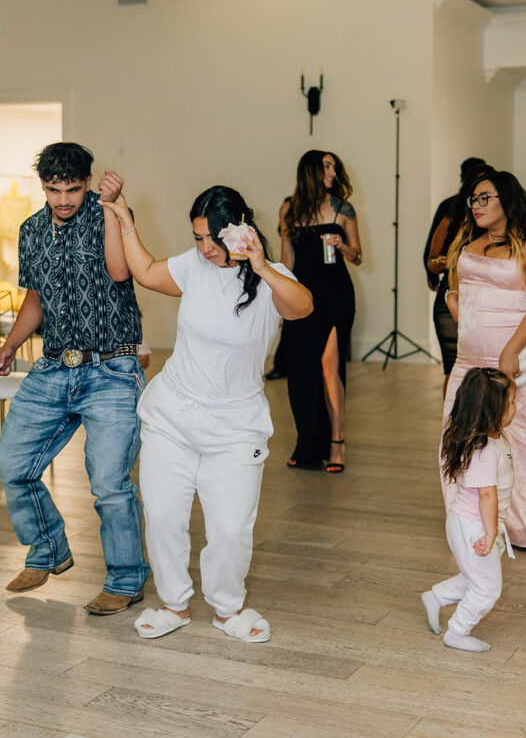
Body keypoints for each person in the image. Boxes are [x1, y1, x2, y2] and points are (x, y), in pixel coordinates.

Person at [101, 181, 313, 642]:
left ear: (238, 230)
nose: (205, 248)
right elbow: (146, 271)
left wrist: (259, 264)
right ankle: (174, 603)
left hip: (235, 426)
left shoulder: (270, 277)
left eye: (212, 238)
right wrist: (123, 218)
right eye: (197, 237)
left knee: (231, 529)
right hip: (173, 417)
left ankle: (227, 609)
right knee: (162, 517)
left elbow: (302, 308)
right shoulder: (194, 266)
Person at [0, 142, 149, 614]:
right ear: (43, 185)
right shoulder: (31, 230)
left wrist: (116, 207)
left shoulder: (107, 214)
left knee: (109, 482)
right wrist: (10, 345)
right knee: (10, 466)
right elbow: (36, 298)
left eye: (73, 189)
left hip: (112, 369)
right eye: (54, 189)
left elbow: (121, 272)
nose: (63, 198)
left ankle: (125, 579)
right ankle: (48, 549)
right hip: (55, 366)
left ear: (87, 182)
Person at [443, 168, 526, 549]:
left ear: (506, 201)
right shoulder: (469, 244)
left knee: (516, 443)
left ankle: (519, 527)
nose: (477, 205)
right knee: (463, 439)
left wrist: (510, 349)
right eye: (473, 199)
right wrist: (455, 305)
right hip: (468, 364)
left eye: (485, 198)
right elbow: (465, 297)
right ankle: (471, 523)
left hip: (514, 363)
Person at [422, 367, 515, 653]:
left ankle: (436, 597)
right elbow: (486, 495)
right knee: (487, 588)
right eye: (510, 402)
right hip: (475, 525)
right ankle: (457, 632)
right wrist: (489, 533)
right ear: (492, 409)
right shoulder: (483, 448)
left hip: (475, 523)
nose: (516, 407)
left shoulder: (491, 436)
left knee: (477, 576)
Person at [279, 150, 362, 472]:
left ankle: (336, 441)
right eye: (327, 165)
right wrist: (280, 301)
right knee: (299, 373)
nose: (333, 171)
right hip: (301, 299)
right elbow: (287, 262)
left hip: (335, 297)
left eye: (334, 166)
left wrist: (343, 247)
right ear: (311, 171)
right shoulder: (289, 208)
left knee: (329, 368)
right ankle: (307, 443)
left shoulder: (343, 208)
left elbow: (358, 256)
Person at [424, 157, 486, 390]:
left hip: (484, 301)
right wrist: (438, 266)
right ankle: (450, 423)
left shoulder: (500, 224)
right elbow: (431, 258)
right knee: (453, 370)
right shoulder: (451, 211)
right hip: (451, 295)